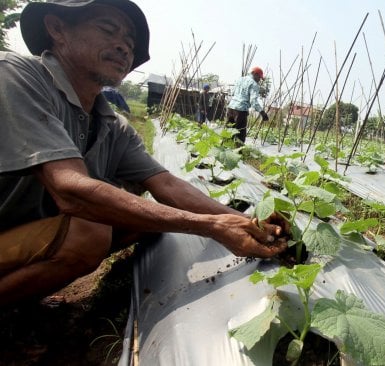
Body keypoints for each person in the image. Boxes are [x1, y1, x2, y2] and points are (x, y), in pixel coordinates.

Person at [0, 0, 287, 307]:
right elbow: (71, 191)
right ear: (57, 29)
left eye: (130, 43)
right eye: (108, 30)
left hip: (23, 235)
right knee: (91, 231)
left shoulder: (111, 124)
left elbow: (167, 185)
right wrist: (210, 226)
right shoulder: (17, 75)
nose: (124, 47)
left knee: (137, 217)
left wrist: (247, 223)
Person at [226, 66, 269, 144]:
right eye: (259, 77)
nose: (259, 80)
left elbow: (232, 93)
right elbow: (253, 101)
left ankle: (224, 151)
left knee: (228, 132)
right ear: (255, 74)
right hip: (241, 111)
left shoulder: (240, 79)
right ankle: (238, 154)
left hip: (230, 108)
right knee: (240, 135)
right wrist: (262, 113)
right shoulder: (254, 84)